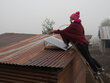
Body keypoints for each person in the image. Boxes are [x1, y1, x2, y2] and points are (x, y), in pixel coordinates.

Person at [52, 11, 104, 75]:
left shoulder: (73, 25)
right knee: (89, 57)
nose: (70, 19)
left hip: (80, 44)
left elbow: (64, 31)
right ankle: (100, 67)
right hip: (84, 43)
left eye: (70, 18)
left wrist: (55, 31)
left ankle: (96, 71)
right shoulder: (80, 25)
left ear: (73, 18)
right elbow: (80, 33)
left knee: (88, 58)